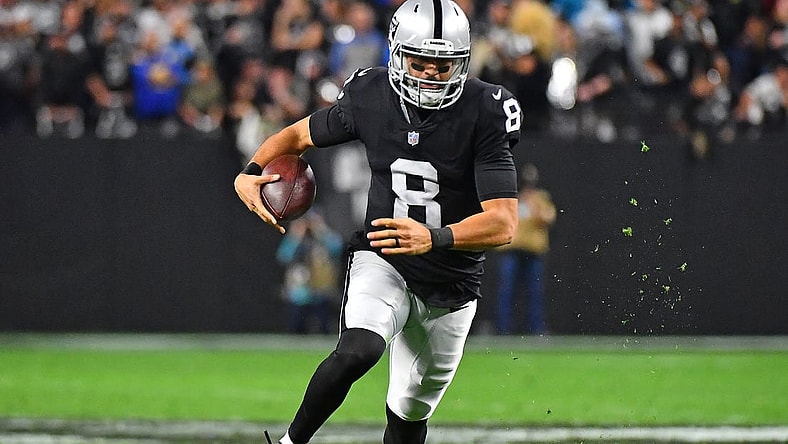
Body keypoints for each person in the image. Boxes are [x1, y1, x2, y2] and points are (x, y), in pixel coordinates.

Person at [233, 0, 522, 442]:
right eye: (419, 61)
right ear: (396, 54)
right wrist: (251, 172)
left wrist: (435, 237)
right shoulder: (371, 96)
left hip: (453, 281)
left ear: (462, 64)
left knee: (407, 414)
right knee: (359, 349)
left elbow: (503, 223)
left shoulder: (485, 111)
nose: (428, 74)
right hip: (383, 254)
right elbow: (298, 136)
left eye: (442, 66)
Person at [494, 163, 556, 335]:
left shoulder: (541, 198)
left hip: (533, 252)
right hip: (511, 250)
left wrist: (533, 203)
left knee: (535, 292)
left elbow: (548, 218)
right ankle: (503, 329)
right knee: (506, 290)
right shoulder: (511, 198)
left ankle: (536, 329)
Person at [276, 210, 344, 334]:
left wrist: (320, 230)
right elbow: (283, 256)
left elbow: (337, 247)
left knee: (324, 328)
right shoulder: (295, 241)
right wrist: (296, 235)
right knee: (296, 328)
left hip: (321, 292)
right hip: (299, 293)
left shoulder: (324, 241)